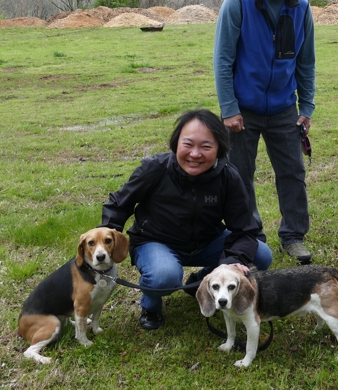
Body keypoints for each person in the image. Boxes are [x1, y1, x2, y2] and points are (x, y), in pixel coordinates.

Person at [100, 109, 273, 331]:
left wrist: (233, 259)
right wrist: (106, 239)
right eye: (188, 144)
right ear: (176, 143)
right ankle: (151, 306)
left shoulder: (228, 176)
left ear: (219, 149)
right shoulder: (155, 169)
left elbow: (245, 229)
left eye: (206, 146)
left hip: (207, 242)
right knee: (164, 275)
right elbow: (119, 204)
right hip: (155, 241)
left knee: (260, 255)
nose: (195, 154)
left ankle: (203, 283)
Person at [213, 0, 316, 264]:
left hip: (285, 108)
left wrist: (307, 106)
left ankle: (294, 235)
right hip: (242, 110)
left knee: (293, 172)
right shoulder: (238, 0)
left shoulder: (301, 8)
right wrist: (229, 108)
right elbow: (223, 59)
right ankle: (251, 235)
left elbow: (306, 61)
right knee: (240, 175)